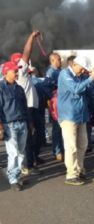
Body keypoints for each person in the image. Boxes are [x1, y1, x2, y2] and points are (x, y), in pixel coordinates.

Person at [58, 56, 94, 186]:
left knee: (83, 145)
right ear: (75, 64)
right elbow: (76, 89)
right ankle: (71, 174)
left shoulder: (82, 75)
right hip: (69, 116)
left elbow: (90, 92)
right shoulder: (64, 74)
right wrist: (91, 77)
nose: (83, 70)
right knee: (71, 146)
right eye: (82, 68)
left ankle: (79, 170)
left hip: (82, 116)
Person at [10, 31, 42, 176]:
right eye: (21, 62)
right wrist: (31, 37)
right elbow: (27, 52)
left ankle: (33, 159)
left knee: (36, 135)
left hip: (33, 108)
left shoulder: (25, 74)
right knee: (29, 137)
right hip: (28, 109)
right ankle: (29, 165)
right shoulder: (21, 73)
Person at [0, 62, 29, 191]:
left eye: (17, 71)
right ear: (6, 72)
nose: (17, 73)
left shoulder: (19, 88)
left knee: (22, 152)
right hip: (9, 125)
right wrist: (0, 128)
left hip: (22, 123)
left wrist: (30, 123)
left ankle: (18, 176)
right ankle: (13, 179)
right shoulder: (1, 88)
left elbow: (25, 107)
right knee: (14, 153)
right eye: (14, 71)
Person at [45, 53, 64, 161]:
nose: (60, 61)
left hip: (62, 103)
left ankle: (61, 149)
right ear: (52, 60)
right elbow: (46, 87)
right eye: (58, 59)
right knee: (56, 128)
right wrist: (53, 97)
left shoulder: (60, 71)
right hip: (55, 103)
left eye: (60, 59)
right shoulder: (50, 72)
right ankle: (57, 151)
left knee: (62, 127)